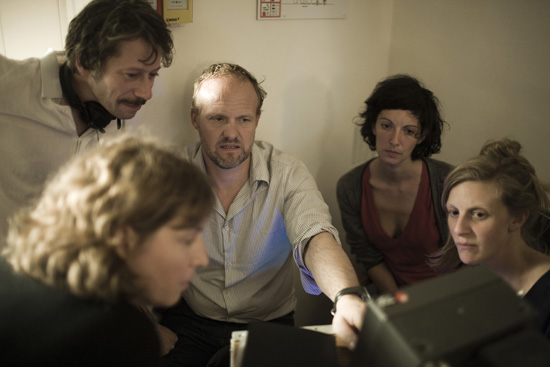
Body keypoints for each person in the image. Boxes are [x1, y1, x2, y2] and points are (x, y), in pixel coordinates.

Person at [156, 63, 367, 367]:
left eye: (243, 119)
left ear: (257, 120)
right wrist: (142, 321)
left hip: (267, 325)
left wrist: (347, 296)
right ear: (195, 119)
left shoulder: (287, 173)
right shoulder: (166, 173)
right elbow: (124, 248)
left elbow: (315, 236)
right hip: (190, 321)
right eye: (217, 118)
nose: (231, 133)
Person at [0, 136, 215, 366]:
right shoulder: (117, 337)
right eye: (187, 239)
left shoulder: (10, 271)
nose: (201, 259)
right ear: (123, 237)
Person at [0, 0, 174, 248]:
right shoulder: (11, 84)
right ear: (84, 63)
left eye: (152, 75)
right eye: (132, 75)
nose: (147, 93)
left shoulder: (125, 112)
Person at [336, 74, 453, 294]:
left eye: (408, 131)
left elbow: (470, 255)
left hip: (447, 295)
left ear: (422, 136)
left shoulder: (446, 181)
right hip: (391, 296)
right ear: (373, 126)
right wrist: (397, 303)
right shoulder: (350, 187)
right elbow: (368, 256)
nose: (395, 140)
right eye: (387, 126)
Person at [430, 138, 550, 338]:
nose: (459, 229)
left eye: (478, 214)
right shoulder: (475, 279)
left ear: (518, 218)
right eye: (454, 212)